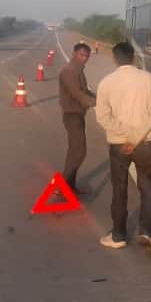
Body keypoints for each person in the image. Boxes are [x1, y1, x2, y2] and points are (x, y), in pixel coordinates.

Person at [94, 42, 151, 253]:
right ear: (133, 57)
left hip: (118, 144)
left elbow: (102, 116)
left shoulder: (106, 82)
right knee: (148, 188)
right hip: (145, 143)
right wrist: (136, 137)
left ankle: (118, 235)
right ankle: (147, 232)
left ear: (114, 59)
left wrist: (126, 136)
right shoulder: (148, 79)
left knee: (119, 188)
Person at [58, 42, 96, 194]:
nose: (84, 59)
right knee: (79, 152)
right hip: (72, 115)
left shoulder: (78, 70)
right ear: (74, 54)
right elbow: (79, 95)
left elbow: (85, 91)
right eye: (81, 55)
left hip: (78, 115)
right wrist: (98, 102)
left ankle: (69, 186)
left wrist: (103, 97)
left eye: (87, 56)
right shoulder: (69, 71)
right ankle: (62, 186)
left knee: (74, 151)